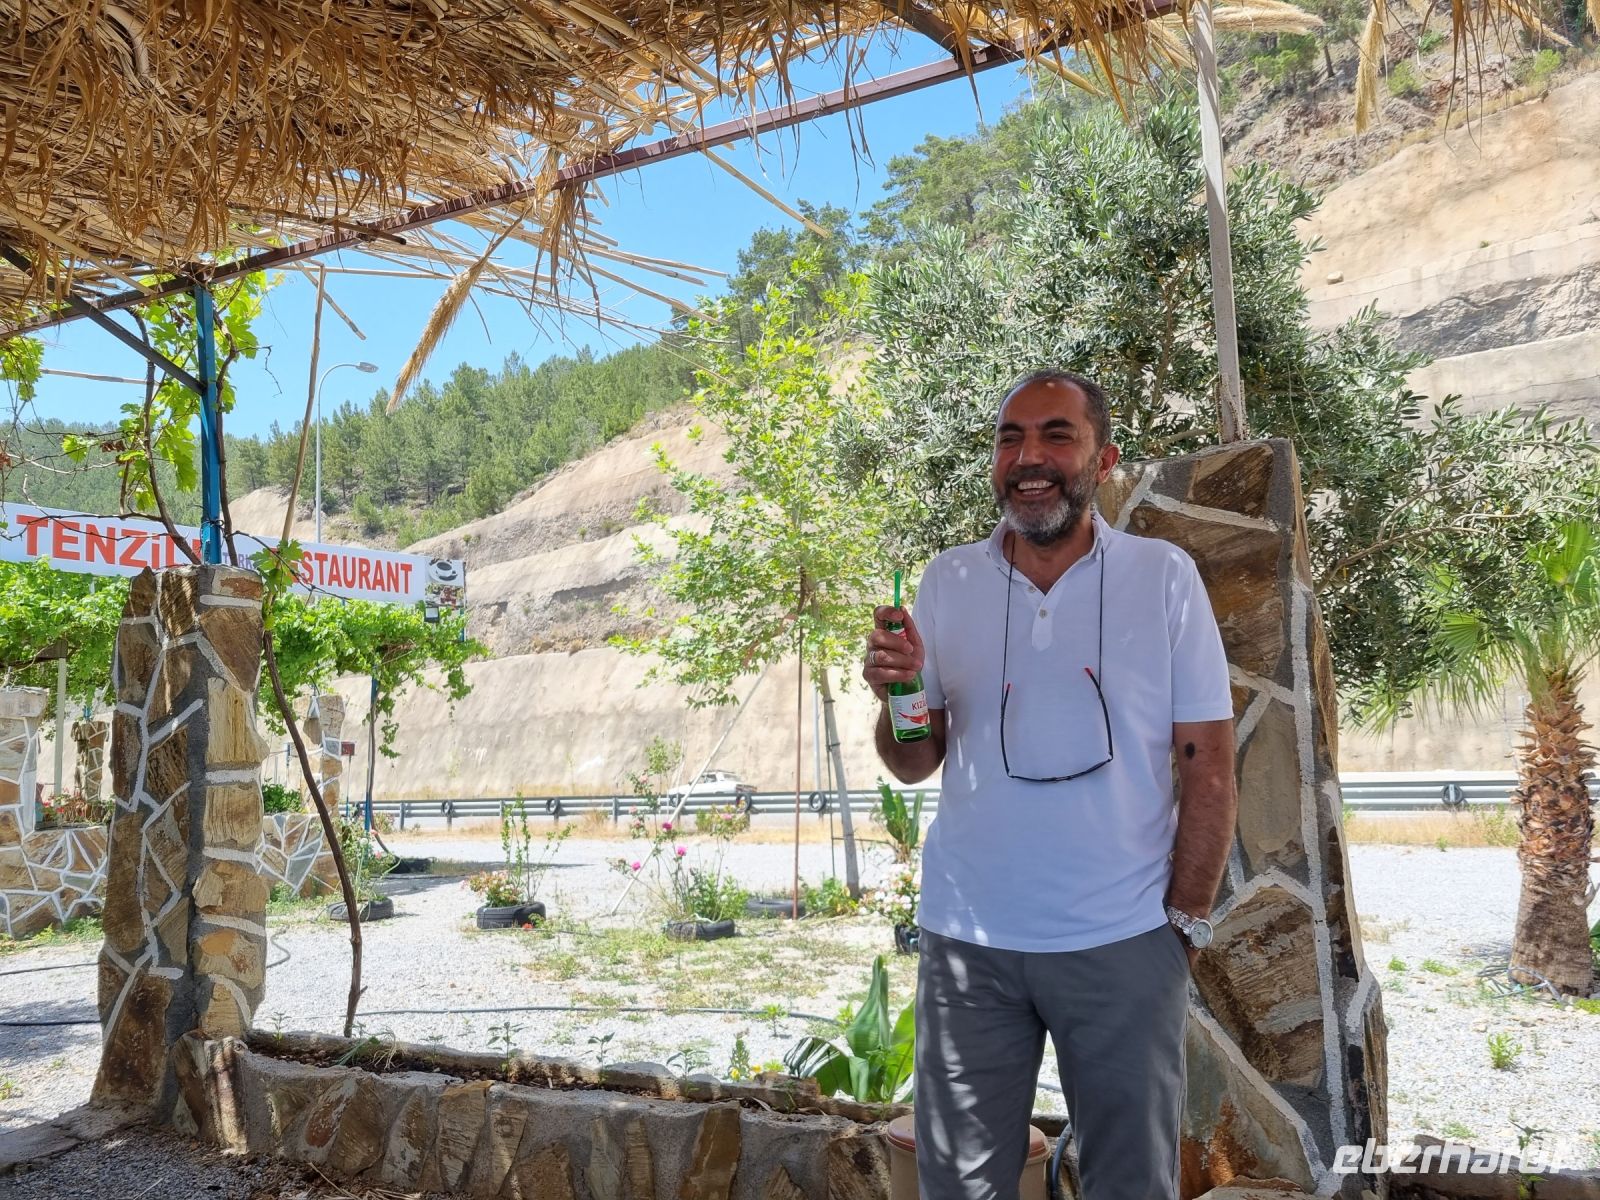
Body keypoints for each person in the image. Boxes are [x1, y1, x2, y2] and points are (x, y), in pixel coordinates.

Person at [862, 369, 1238, 1200]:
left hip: (1122, 939)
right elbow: (914, 760)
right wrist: (896, 695)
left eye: (1055, 435)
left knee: (1130, 1183)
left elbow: (1208, 763)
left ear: (1102, 460)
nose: (1028, 457)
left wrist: (1181, 924)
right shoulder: (947, 580)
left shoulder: (1163, 577)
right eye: (1011, 438)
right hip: (968, 944)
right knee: (961, 1186)